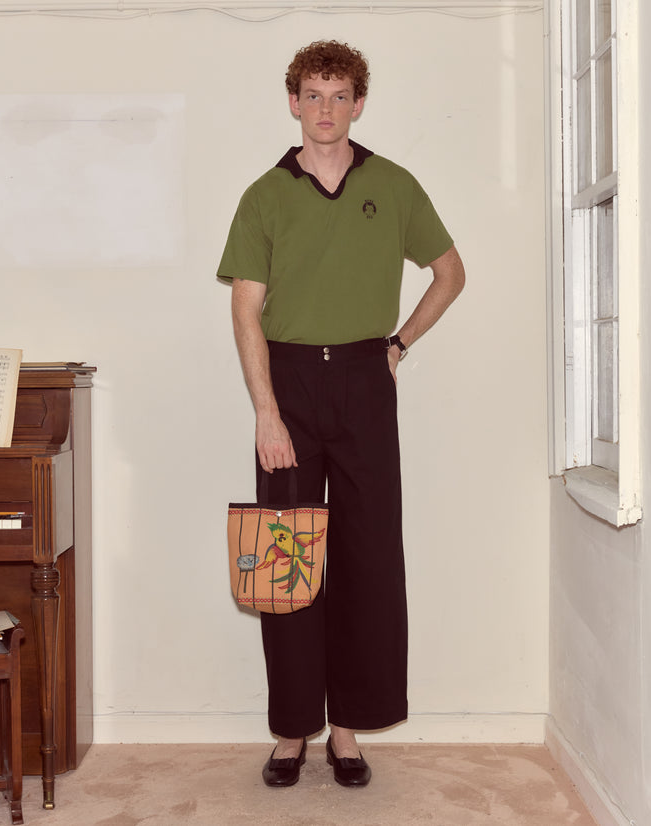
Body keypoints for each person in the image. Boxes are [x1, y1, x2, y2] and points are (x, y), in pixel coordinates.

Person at [217, 39, 465, 788]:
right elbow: (246, 311)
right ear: (293, 102)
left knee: (365, 558)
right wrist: (267, 412)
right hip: (287, 385)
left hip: (363, 380)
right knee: (285, 563)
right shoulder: (264, 194)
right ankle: (293, 729)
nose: (325, 109)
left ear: (359, 104)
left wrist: (399, 344)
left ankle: (347, 731)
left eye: (339, 95)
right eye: (313, 94)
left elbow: (450, 273)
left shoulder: (393, 185)